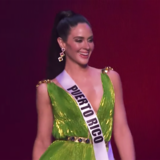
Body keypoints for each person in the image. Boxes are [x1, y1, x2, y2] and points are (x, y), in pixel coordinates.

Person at [32, 10, 135, 160]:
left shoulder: (110, 78)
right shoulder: (48, 90)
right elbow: (42, 141)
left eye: (90, 40)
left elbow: (122, 130)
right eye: (79, 40)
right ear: (62, 43)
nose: (86, 46)